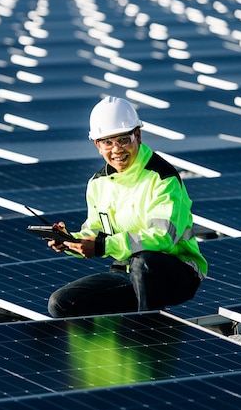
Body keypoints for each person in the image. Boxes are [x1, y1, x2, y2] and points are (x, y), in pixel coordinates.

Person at [47, 96, 207, 318]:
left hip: (177, 271)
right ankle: (115, 348)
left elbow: (162, 238)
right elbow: (97, 232)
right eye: (108, 142)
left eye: (123, 140)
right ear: (97, 145)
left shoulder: (162, 178)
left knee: (145, 263)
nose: (116, 150)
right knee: (61, 303)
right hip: (127, 270)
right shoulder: (98, 183)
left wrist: (103, 246)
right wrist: (71, 240)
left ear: (137, 136)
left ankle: (148, 339)